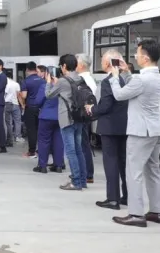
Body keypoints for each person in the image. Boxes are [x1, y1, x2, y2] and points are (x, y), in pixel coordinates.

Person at [109, 39, 160, 228]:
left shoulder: (142, 79)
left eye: (137, 53)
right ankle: (157, 211)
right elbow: (137, 88)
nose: (135, 56)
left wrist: (114, 76)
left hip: (140, 131)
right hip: (155, 129)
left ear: (146, 57)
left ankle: (135, 214)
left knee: (133, 172)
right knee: (153, 171)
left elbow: (119, 95)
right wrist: (127, 72)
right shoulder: (157, 77)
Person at [86, 50, 129, 210]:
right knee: (124, 163)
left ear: (107, 63)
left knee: (111, 163)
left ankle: (112, 198)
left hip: (110, 127)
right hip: (125, 126)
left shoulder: (108, 81)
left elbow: (105, 106)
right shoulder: (127, 79)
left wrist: (92, 109)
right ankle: (127, 196)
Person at [46, 54, 88, 191]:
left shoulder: (63, 81)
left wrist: (48, 82)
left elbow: (49, 95)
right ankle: (82, 180)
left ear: (64, 66)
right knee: (78, 150)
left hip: (67, 119)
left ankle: (75, 181)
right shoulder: (80, 78)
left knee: (70, 151)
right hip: (79, 118)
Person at [75, 54, 96, 184]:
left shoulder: (81, 80)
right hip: (87, 115)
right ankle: (87, 172)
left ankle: (87, 173)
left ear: (81, 65)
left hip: (82, 116)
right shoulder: (90, 79)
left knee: (82, 145)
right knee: (84, 144)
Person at [20, 62, 45, 158]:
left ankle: (31, 152)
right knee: (41, 130)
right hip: (42, 108)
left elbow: (24, 95)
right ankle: (41, 151)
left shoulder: (26, 81)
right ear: (35, 69)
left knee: (32, 130)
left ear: (27, 70)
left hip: (30, 108)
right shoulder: (43, 81)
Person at [4, 76, 22, 147]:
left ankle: (9, 138)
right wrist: (22, 105)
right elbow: (18, 96)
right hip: (15, 104)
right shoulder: (16, 84)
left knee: (9, 123)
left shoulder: (5, 84)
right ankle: (17, 137)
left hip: (6, 104)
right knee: (17, 121)